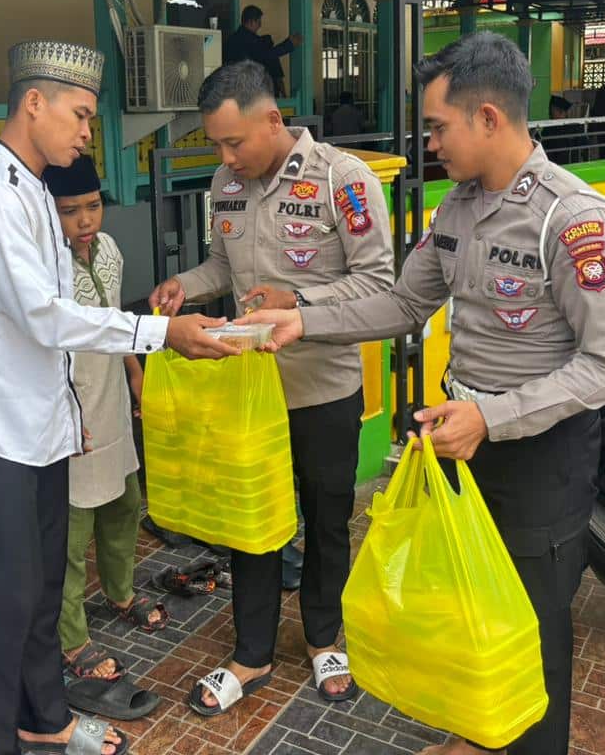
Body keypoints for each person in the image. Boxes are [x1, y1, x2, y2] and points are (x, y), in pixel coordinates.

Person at [244, 32, 605, 755]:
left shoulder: (571, 218)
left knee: (533, 628)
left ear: (488, 118)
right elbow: (400, 305)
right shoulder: (458, 207)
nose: (431, 143)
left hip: (537, 459)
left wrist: (492, 416)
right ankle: (478, 736)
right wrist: (301, 317)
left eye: (437, 127)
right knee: (473, 614)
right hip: (466, 442)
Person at [0, 40, 236, 755]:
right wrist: (160, 333)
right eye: (82, 115)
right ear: (35, 103)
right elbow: (40, 316)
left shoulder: (33, 187)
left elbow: (52, 321)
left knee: (40, 586)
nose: (89, 132)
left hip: (36, 426)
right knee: (11, 595)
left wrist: (70, 414)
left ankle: (46, 715)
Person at [149, 59, 395, 717]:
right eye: (218, 146)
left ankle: (323, 638)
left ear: (273, 120)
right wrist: (186, 286)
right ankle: (251, 654)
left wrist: (302, 298)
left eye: (235, 142)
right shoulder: (223, 185)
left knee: (327, 521)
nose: (227, 157)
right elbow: (220, 266)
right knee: (251, 528)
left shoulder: (343, 182)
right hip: (250, 394)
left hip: (323, 389)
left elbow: (379, 285)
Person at [44, 154, 166, 717]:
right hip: (71, 414)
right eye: (70, 211)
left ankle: (119, 591)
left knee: (122, 503)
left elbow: (116, 322)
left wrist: (136, 373)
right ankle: (71, 636)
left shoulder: (111, 251)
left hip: (111, 400)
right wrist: (64, 414)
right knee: (71, 531)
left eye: (92, 206)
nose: (85, 221)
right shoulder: (44, 266)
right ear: (49, 215)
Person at [223, 5, 302, 97]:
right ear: (251, 22)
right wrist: (289, 44)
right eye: (258, 22)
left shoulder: (233, 39)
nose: (260, 25)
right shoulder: (248, 40)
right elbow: (266, 55)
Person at [540, 95, 586, 166]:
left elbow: (584, 143)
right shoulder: (549, 128)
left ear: (561, 112)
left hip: (565, 164)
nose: (550, 114)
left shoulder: (574, 127)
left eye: (553, 111)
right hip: (557, 164)